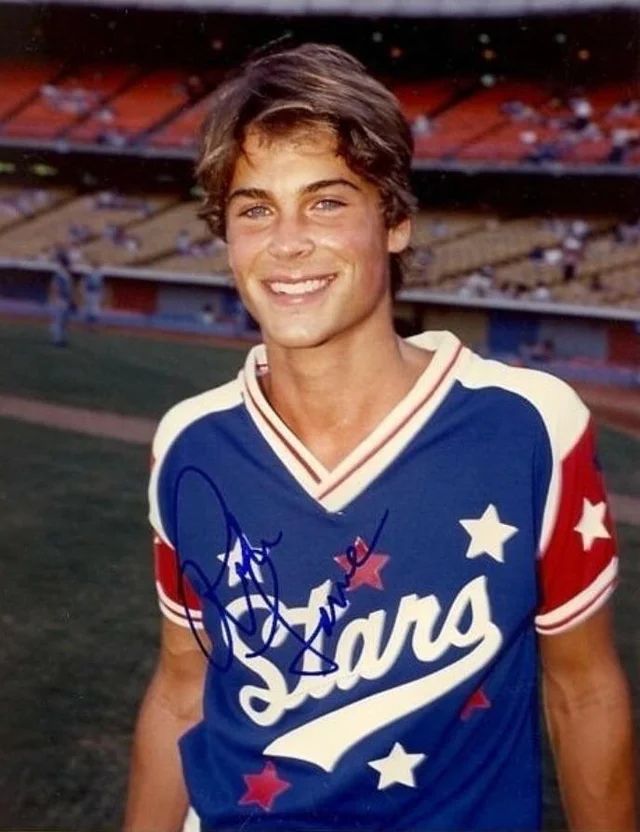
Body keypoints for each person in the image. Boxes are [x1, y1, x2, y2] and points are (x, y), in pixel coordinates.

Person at [124, 44, 637, 832]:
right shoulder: (191, 443)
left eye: (327, 202)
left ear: (395, 222)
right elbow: (181, 688)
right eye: (255, 208)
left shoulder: (527, 422)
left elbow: (583, 690)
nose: (287, 242)